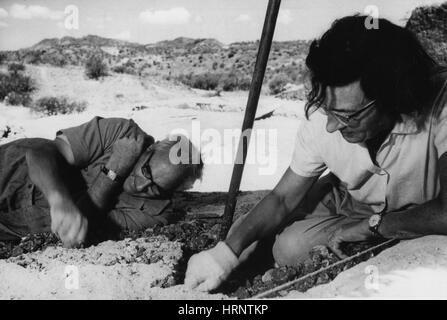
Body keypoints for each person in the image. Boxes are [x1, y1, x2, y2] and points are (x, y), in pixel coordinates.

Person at [185, 15, 447, 292]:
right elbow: (283, 198)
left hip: (423, 208)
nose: (332, 125)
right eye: (327, 110)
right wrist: (223, 255)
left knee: (291, 246)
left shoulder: (441, 100)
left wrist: (375, 225)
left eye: (348, 116)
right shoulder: (326, 113)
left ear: (395, 95)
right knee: (269, 242)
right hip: (353, 200)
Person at [0, 116, 203, 247]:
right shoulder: (121, 132)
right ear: (151, 148)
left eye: (156, 188)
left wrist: (114, 171)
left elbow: (84, 219)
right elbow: (40, 153)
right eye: (146, 171)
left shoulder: (155, 213)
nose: (141, 186)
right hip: (11, 169)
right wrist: (58, 198)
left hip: (13, 226)